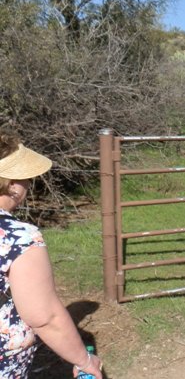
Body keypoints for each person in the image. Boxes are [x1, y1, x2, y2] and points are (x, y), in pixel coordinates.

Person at [0, 131, 103, 378]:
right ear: (11, 184)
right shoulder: (17, 237)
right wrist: (85, 361)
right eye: (25, 178)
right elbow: (44, 316)